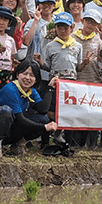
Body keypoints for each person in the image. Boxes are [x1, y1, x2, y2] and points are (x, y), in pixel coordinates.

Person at [0, 60, 58, 157]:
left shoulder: (30, 91)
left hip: (10, 128)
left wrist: (50, 88)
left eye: (32, 75)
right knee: (5, 111)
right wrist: (44, 128)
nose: (28, 78)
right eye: (25, 74)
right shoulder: (10, 89)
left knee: (43, 119)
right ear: (17, 75)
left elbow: (43, 109)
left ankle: (18, 145)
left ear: (36, 79)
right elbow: (20, 119)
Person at [34, 12, 83, 146]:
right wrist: (40, 62)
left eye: (65, 28)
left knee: (68, 111)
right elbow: (48, 66)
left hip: (71, 82)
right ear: (55, 28)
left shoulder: (77, 46)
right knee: (51, 110)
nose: (62, 30)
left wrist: (85, 63)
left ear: (72, 28)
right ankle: (46, 139)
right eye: (59, 27)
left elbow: (78, 67)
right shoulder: (50, 46)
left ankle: (65, 140)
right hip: (55, 82)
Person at [71, 9, 102, 148]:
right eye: (88, 21)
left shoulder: (98, 39)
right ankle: (77, 142)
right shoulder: (73, 37)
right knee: (78, 111)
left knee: (93, 112)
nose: (90, 25)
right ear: (82, 21)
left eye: (94, 23)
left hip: (93, 79)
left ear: (98, 25)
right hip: (78, 78)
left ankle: (92, 142)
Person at [22, 0, 57, 83]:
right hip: (34, 69)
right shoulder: (31, 22)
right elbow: (26, 42)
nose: (47, 6)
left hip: (53, 69)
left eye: (50, 3)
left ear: (54, 6)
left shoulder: (58, 22)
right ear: (38, 5)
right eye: (43, 3)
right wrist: (36, 22)